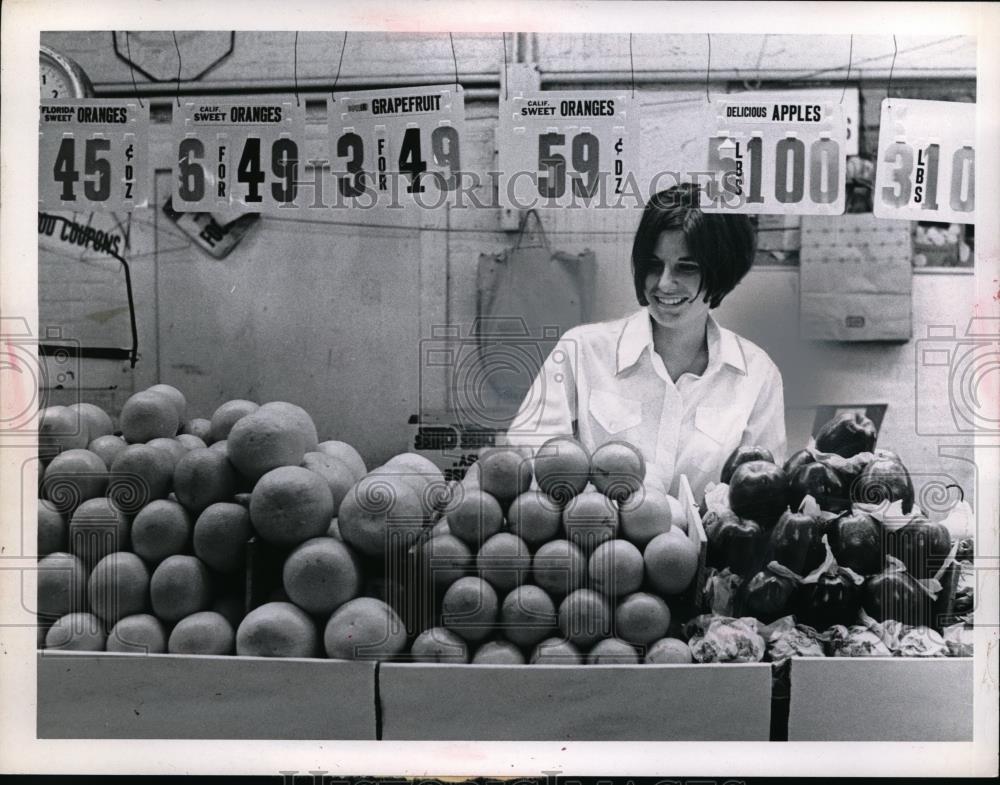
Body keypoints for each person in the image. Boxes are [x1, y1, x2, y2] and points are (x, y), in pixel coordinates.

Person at [503, 183, 787, 500]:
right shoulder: (581, 351)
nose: (664, 283)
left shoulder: (757, 375)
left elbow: (763, 494)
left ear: (722, 272)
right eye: (653, 265)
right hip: (596, 542)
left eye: (686, 267)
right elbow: (524, 459)